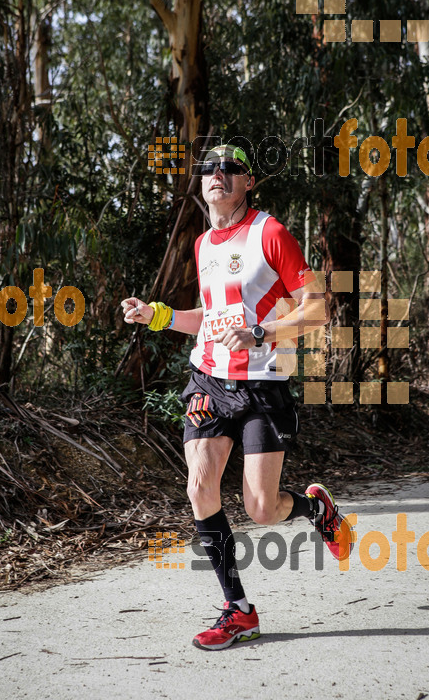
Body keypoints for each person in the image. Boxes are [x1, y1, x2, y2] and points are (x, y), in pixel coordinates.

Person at [121, 144, 353, 651]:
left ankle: (317, 511)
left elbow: (317, 309)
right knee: (200, 488)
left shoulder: (270, 233)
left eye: (229, 169)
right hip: (208, 380)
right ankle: (239, 609)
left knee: (262, 509)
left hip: (263, 383)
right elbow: (212, 318)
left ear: (249, 183)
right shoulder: (203, 244)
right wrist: (157, 314)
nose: (216, 175)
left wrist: (263, 333)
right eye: (208, 169)